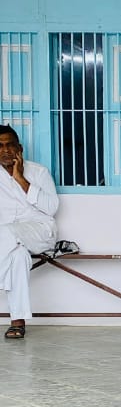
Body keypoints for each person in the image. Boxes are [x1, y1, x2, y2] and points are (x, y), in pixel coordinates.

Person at [0, 125, 58, 340]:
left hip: (39, 231)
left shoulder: (38, 172)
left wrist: (21, 179)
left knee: (6, 233)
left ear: (20, 148)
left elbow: (51, 208)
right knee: (17, 257)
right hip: (8, 242)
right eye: (0, 146)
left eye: (10, 145)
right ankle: (18, 321)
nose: (5, 150)